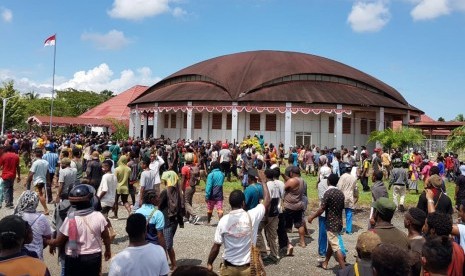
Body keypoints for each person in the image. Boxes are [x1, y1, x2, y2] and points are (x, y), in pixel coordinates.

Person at [206, 170, 271, 275]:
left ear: (230, 203)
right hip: (249, 268)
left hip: (229, 268)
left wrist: (209, 263)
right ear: (243, 203)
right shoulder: (252, 216)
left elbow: (216, 246)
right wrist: (263, 181)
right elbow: (267, 200)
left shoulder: (223, 221)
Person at [45, 184, 112, 276]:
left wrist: (46, 241)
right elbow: (106, 237)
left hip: (74, 259)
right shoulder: (99, 216)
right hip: (94, 257)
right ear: (90, 200)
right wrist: (108, 250)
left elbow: (59, 242)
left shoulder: (70, 219)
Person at [308, 173, 346, 269]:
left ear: (328, 181)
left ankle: (344, 269)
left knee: (336, 247)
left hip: (331, 223)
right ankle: (325, 263)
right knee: (331, 244)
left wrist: (312, 217)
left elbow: (322, 209)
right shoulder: (341, 194)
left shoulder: (328, 193)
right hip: (338, 223)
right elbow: (341, 209)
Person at [159, 167, 185, 271]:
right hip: (175, 220)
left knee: (167, 244)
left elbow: (159, 204)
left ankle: (174, 264)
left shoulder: (166, 192)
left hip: (166, 220)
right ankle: (165, 263)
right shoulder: (179, 191)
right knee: (166, 243)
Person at [13, 190, 52, 260]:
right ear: (36, 202)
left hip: (18, 256)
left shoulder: (16, 216)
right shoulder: (41, 218)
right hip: (36, 256)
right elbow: (48, 236)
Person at [257, 168, 283, 264]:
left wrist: (266, 217)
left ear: (266, 176)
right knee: (273, 235)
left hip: (268, 213)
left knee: (257, 232)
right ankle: (274, 254)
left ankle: (263, 252)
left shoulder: (267, 185)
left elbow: (268, 202)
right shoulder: (277, 184)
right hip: (276, 213)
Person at [282, 166, 306, 248]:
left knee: (285, 226)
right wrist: (283, 175)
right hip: (299, 205)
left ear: (291, 173)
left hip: (289, 206)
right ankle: (302, 242)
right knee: (300, 225)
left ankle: (287, 243)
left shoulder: (292, 181)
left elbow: (283, 188)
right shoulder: (301, 180)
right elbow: (290, 181)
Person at [26, 148, 51, 215]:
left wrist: (27, 181)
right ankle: (33, 207)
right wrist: (48, 180)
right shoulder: (46, 162)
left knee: (39, 194)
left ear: (35, 154)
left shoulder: (35, 163)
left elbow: (31, 173)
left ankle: (46, 209)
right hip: (43, 180)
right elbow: (47, 172)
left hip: (37, 181)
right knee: (37, 194)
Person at [404, 207, 426, 276]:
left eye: (405, 218)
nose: (404, 220)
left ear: (408, 222)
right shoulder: (425, 241)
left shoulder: (411, 245)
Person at [337, 162, 358, 234]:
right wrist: (356, 196)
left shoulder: (342, 176)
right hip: (350, 197)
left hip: (342, 196)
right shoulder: (354, 178)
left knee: (339, 213)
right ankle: (349, 230)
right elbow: (355, 189)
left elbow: (339, 187)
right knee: (349, 214)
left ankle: (339, 229)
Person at [181, 152, 200, 224]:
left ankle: (194, 216)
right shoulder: (195, 166)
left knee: (186, 202)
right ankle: (187, 217)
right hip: (193, 186)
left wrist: (180, 189)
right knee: (189, 202)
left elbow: (183, 179)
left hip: (187, 187)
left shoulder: (184, 168)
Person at [112, 155, 132, 219]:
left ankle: (115, 215)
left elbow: (114, 179)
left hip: (117, 187)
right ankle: (130, 212)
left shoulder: (117, 169)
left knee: (116, 201)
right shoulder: (129, 169)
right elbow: (129, 179)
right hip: (125, 187)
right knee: (125, 201)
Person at [317, 167, 331, 257]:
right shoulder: (333, 181)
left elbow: (322, 198)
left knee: (322, 231)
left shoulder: (321, 183)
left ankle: (322, 250)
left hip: (323, 210)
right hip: (332, 210)